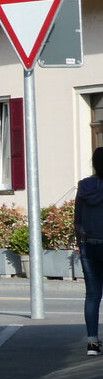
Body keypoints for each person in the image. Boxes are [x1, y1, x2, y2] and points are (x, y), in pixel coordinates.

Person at [74, 146, 103, 356]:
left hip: (89, 244)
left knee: (92, 295)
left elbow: (77, 220)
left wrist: (80, 242)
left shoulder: (84, 186)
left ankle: (92, 343)